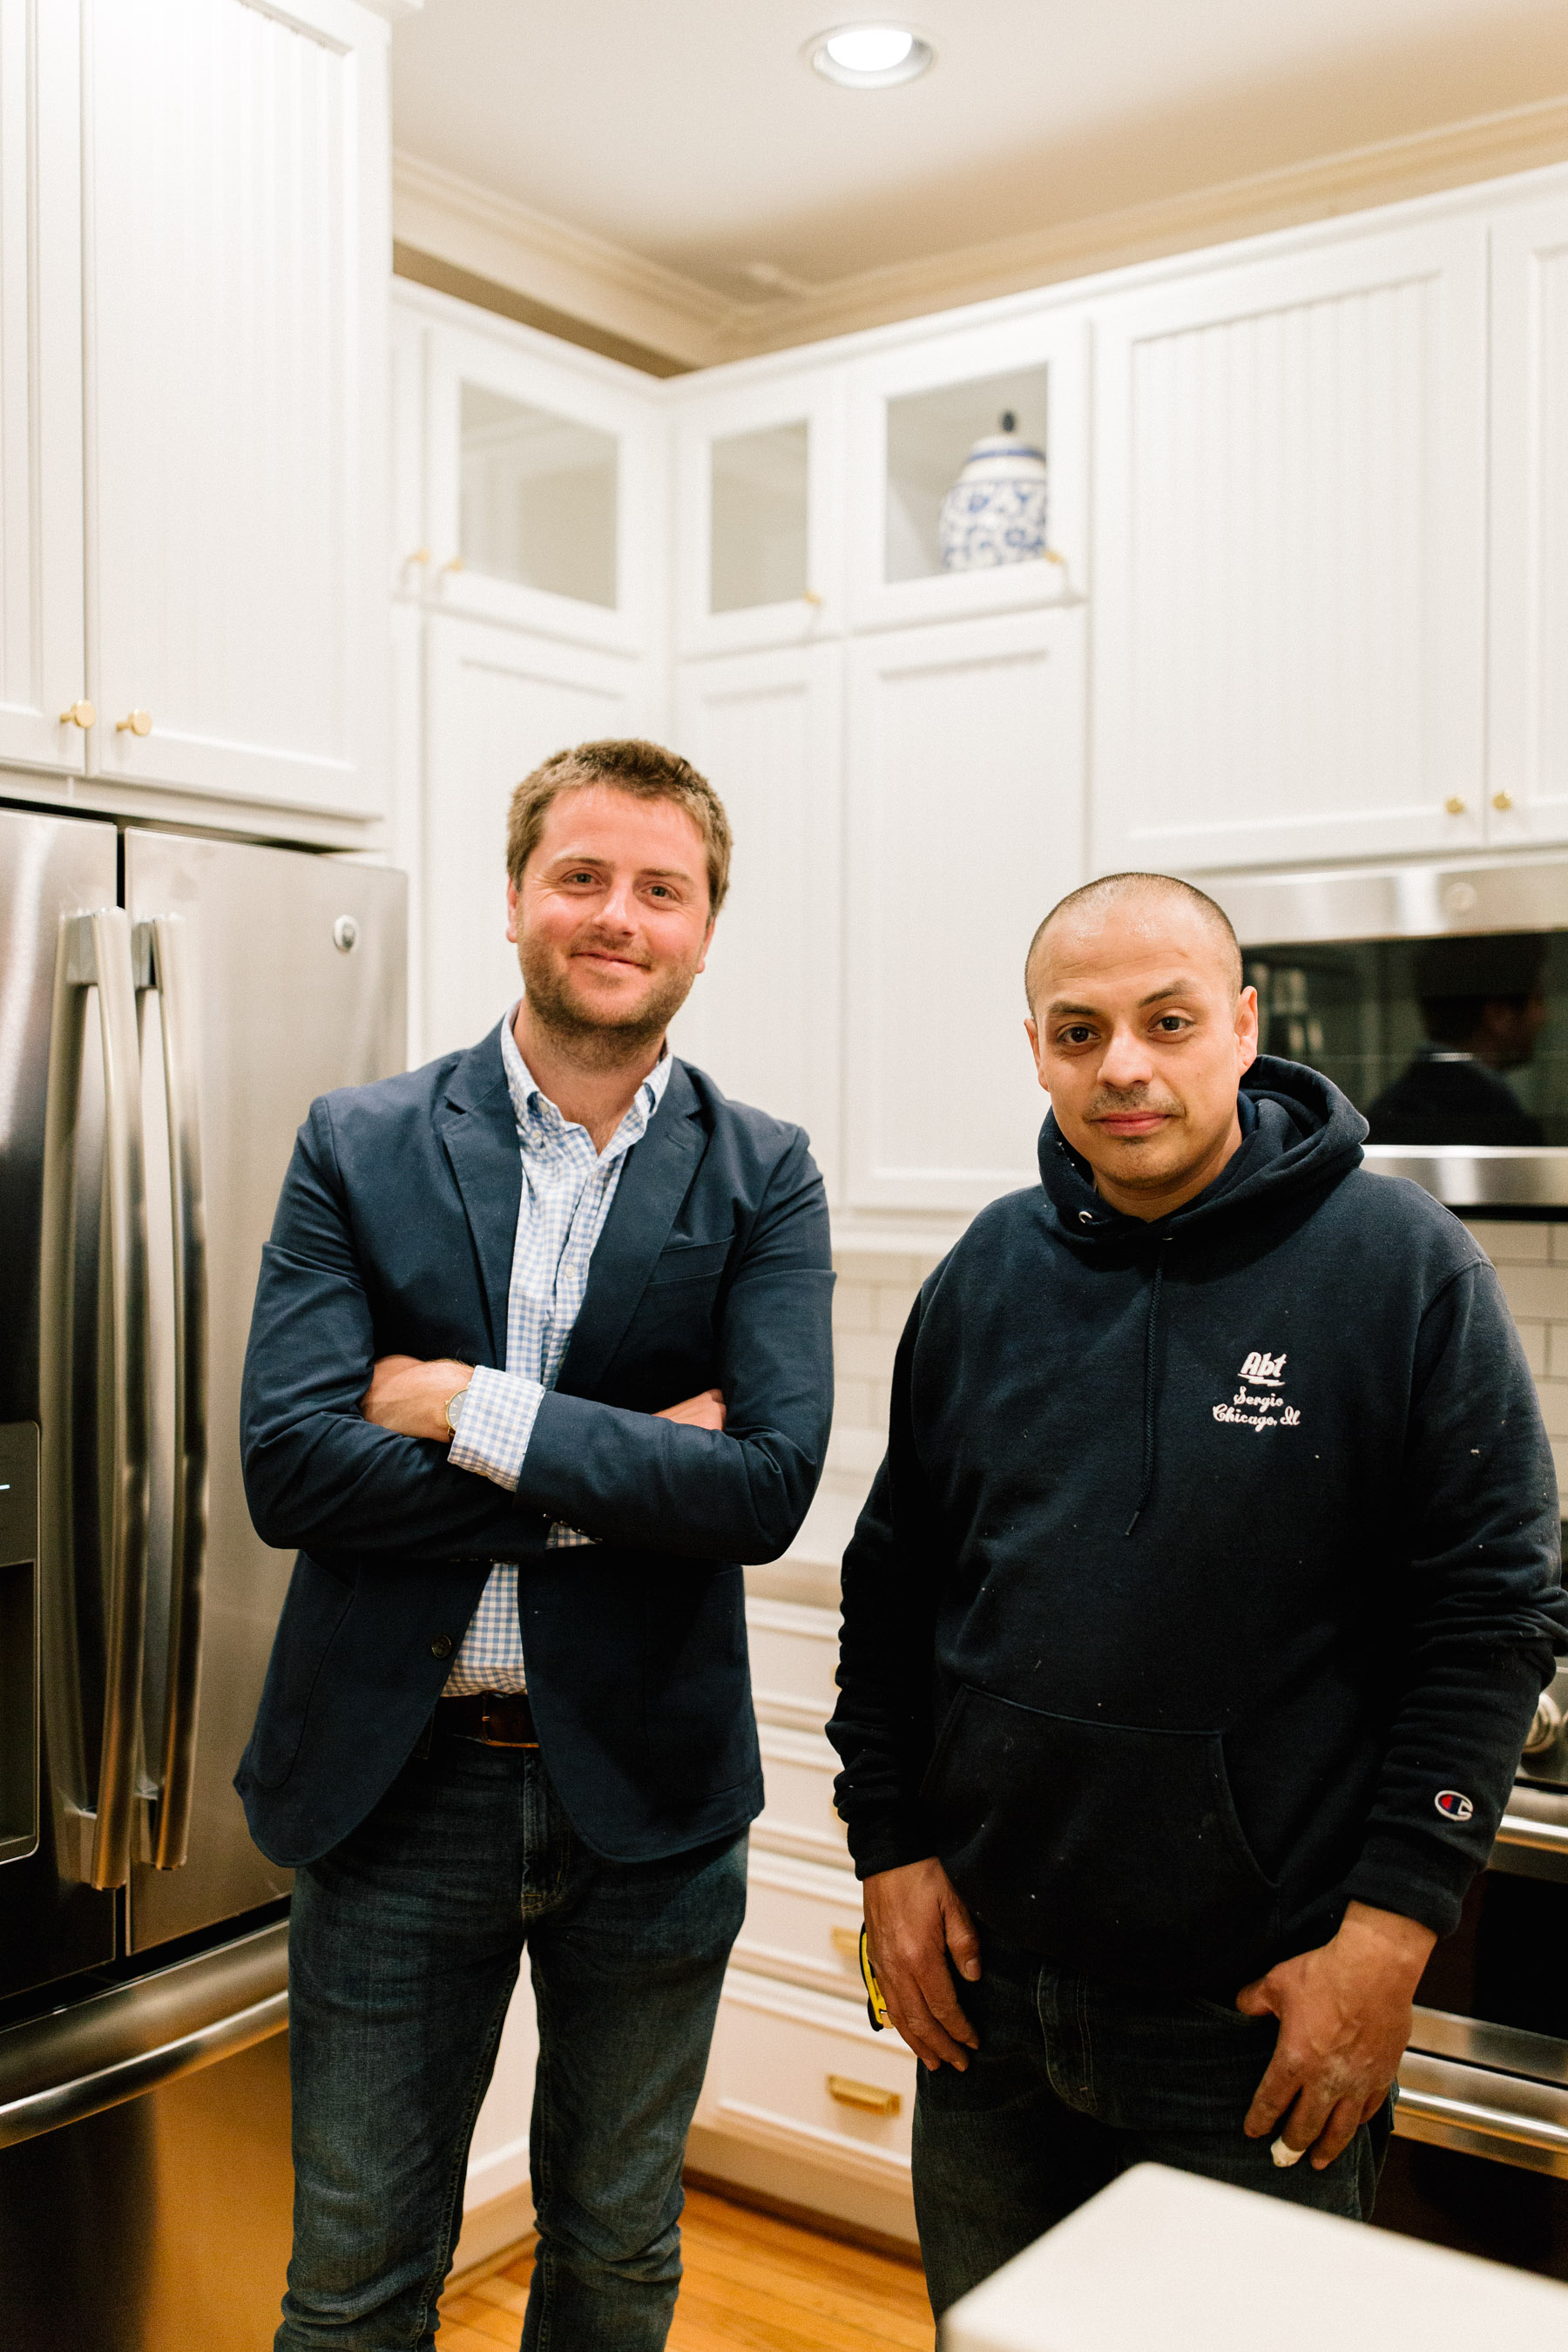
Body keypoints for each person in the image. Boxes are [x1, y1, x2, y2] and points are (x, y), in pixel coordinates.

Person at [828, 870, 1566, 2321]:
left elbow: (1493, 1617)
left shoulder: (1398, 1267)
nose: (1123, 1066)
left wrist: (1389, 1943)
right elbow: (893, 1588)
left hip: (1249, 2027)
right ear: (1035, 1047)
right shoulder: (984, 1274)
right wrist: (889, 1852)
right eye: (1077, 1029)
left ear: (1241, 1025)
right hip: (991, 2016)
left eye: (1167, 1021)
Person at [238, 738, 834, 2351]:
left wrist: (455, 1405)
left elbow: (765, 1490)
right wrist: (636, 1474)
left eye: (663, 887)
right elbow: (290, 1471)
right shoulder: (356, 1141)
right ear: (517, 898)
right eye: (582, 875)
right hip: (393, 1783)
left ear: (708, 927)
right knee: (355, 2285)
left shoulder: (766, 1171)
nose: (617, 914)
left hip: (648, 1791)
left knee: (617, 2260)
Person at [1366, 931, 1549, 1145]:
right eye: (1538, 1000)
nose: (1544, 1017)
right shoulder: (1505, 1126)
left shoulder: (1384, 1111)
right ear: (1499, 1013)